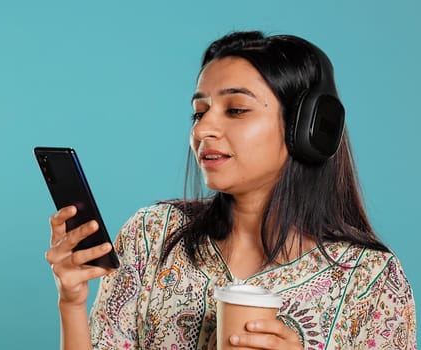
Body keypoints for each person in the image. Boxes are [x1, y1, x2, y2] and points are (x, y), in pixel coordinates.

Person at [45, 31, 417, 349]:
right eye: (199, 111)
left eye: (236, 109)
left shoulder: (370, 280)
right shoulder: (151, 235)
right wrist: (72, 302)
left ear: (307, 128)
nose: (203, 129)